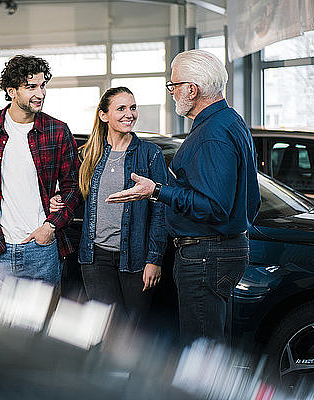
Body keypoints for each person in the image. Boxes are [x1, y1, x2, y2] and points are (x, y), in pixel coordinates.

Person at [107, 50, 261, 345]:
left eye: (174, 85)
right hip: (220, 249)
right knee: (212, 346)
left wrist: (156, 190)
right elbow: (249, 202)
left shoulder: (211, 134)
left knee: (201, 349)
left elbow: (214, 207)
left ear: (193, 89)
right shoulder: (229, 122)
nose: (172, 92)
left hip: (205, 254)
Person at [0, 55, 80, 286]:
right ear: (11, 91)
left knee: (40, 320)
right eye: (31, 87)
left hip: (41, 249)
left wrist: (50, 226)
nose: (41, 93)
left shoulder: (57, 131)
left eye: (43, 85)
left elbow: (74, 186)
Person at [51, 87, 167, 322]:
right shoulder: (88, 155)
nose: (129, 114)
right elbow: (79, 199)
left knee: (133, 333)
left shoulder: (149, 154)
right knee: (105, 330)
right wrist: (59, 200)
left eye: (133, 108)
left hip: (135, 259)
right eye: (121, 108)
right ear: (104, 115)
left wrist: (154, 259)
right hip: (95, 258)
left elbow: (160, 211)